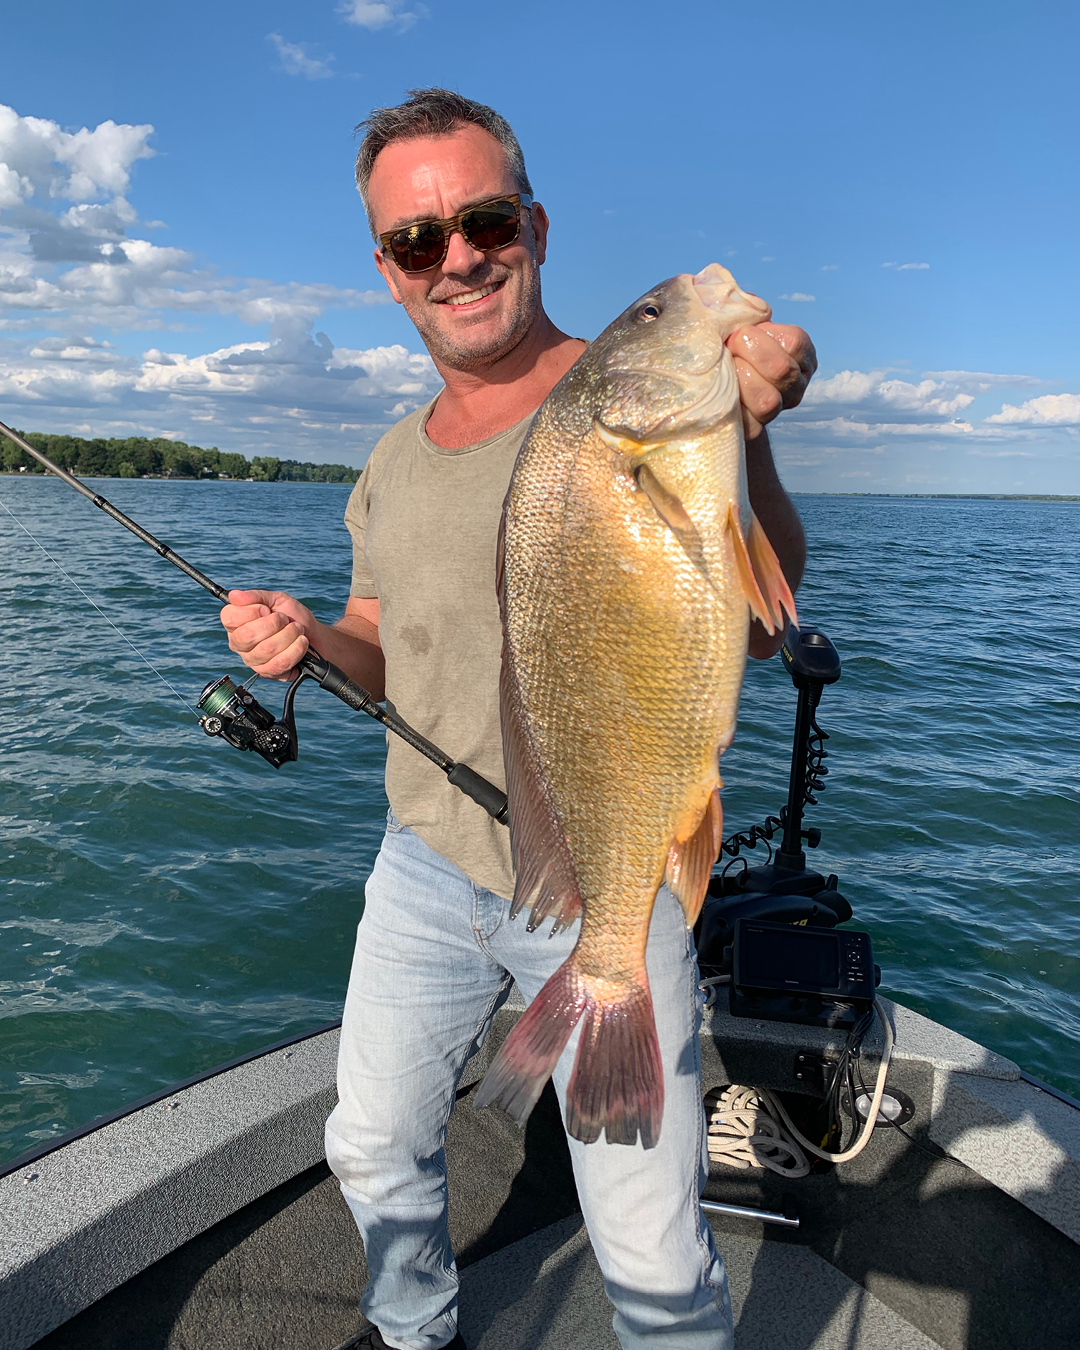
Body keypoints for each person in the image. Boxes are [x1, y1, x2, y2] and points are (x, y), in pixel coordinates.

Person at [221, 89, 815, 1350]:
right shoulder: (387, 459)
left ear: (534, 225)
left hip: (617, 870)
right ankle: (412, 1333)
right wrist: (311, 639)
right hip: (426, 861)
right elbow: (380, 645)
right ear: (385, 273)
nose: (457, 257)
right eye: (415, 241)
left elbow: (763, 619)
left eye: (483, 219)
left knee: (650, 1236)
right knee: (372, 1145)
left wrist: (751, 436)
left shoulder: (627, 413)